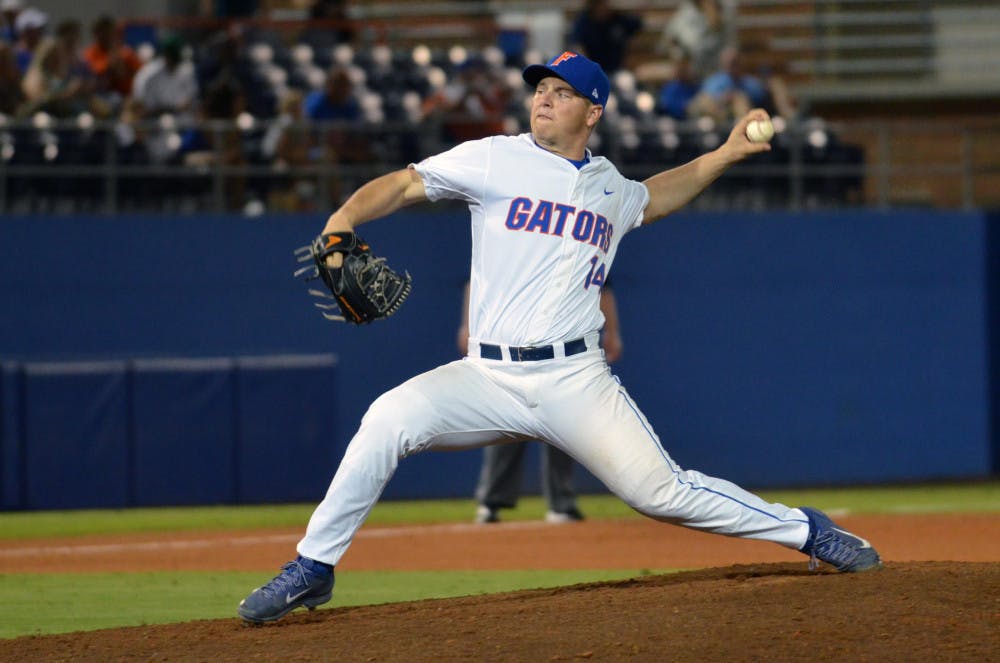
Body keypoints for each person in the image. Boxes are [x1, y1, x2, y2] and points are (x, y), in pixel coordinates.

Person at [237, 50, 882, 625]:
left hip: (575, 380)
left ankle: (807, 531)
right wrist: (344, 217)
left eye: (561, 91)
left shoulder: (609, 189)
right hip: (486, 377)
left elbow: (651, 198)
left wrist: (726, 153)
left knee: (662, 494)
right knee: (386, 419)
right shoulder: (495, 157)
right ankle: (313, 568)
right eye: (540, 87)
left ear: (592, 111)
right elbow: (406, 183)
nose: (543, 97)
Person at [459, 280, 623, 524]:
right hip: (513, 342)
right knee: (507, 423)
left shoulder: (574, 244)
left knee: (563, 427)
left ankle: (561, 503)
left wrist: (612, 331)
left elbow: (602, 285)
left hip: (564, 343)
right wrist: (468, 324)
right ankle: (491, 501)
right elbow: (478, 279)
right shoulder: (512, 243)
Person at [569, 0, 642, 75]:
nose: (605, 7)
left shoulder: (618, 18)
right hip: (593, 70)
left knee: (625, 81)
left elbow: (637, 24)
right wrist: (587, 67)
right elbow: (577, 46)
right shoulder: (583, 21)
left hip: (617, 69)